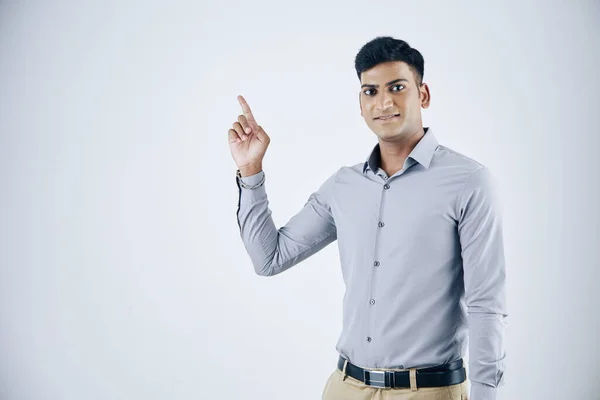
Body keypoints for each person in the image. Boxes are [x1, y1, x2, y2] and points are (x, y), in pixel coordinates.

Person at [227, 36, 507, 400]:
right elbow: (270, 258)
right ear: (360, 105)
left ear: (423, 95)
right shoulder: (344, 186)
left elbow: (487, 303)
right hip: (345, 387)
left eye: (397, 87)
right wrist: (251, 170)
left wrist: (486, 394)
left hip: (426, 391)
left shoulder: (468, 181)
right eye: (370, 91)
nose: (384, 102)